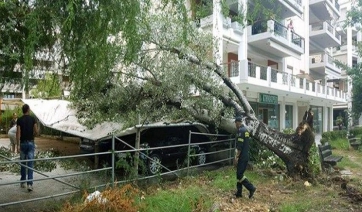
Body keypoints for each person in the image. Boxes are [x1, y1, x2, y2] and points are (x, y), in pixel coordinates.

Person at [16, 104, 38, 192]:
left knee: (22, 163)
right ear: (28, 110)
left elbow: (18, 133)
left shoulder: (19, 120)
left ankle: (22, 182)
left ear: (22, 110)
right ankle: (30, 184)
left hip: (22, 144)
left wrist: (17, 145)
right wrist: (33, 134)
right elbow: (36, 131)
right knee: (30, 164)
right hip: (30, 143)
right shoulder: (33, 119)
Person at [234, 116, 256, 198]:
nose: (235, 125)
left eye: (235, 123)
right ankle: (239, 193)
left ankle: (251, 188)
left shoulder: (240, 131)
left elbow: (240, 146)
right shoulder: (245, 130)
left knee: (239, 174)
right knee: (239, 174)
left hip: (242, 157)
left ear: (237, 122)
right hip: (245, 155)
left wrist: (236, 158)